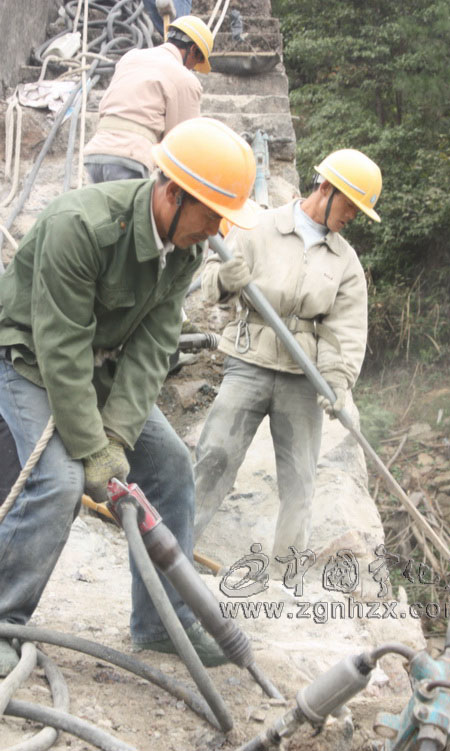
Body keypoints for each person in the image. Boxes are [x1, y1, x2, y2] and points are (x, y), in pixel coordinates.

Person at [0, 117, 257, 676]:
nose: (217, 230)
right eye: (212, 214)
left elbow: (153, 347)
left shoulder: (185, 249)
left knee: (170, 466)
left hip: (95, 364)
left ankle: (162, 625)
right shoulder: (80, 226)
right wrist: (93, 450)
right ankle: (5, 622)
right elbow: (60, 346)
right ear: (173, 194)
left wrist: (116, 436)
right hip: (26, 356)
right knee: (59, 481)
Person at [194, 148, 382, 562]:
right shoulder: (258, 227)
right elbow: (209, 285)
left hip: (302, 377)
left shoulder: (345, 263)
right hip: (249, 362)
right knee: (214, 457)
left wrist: (338, 381)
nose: (352, 216)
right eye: (351, 204)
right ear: (326, 188)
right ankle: (176, 549)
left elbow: (346, 331)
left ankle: (286, 573)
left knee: (300, 482)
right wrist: (225, 278)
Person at [83, 15, 213, 182]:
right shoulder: (185, 79)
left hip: (96, 153)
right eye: (197, 60)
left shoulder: (131, 57)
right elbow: (182, 141)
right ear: (193, 49)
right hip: (129, 158)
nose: (193, 67)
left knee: (100, 200)